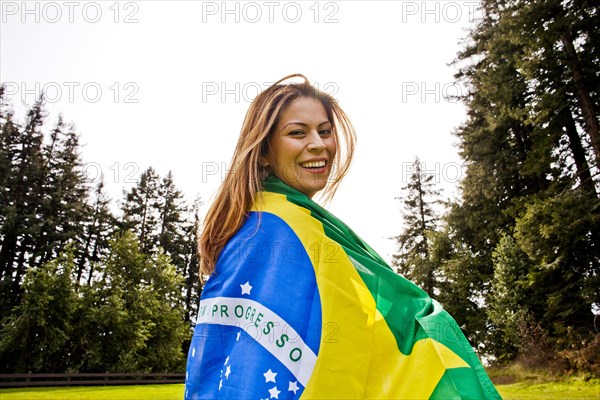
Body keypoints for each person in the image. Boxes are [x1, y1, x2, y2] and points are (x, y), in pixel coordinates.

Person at [184, 74, 500, 399]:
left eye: (324, 131)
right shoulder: (283, 226)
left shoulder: (257, 219)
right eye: (297, 133)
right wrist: (428, 322)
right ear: (264, 151)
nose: (319, 144)